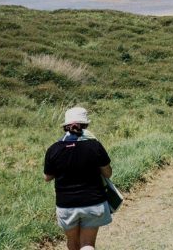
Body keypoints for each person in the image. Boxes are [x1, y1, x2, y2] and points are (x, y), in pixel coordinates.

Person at [44, 106, 113, 250]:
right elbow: (108, 173)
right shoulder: (95, 145)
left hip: (66, 205)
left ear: (66, 126)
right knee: (88, 244)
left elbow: (47, 177)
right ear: (85, 125)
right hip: (94, 202)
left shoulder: (54, 149)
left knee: (72, 242)